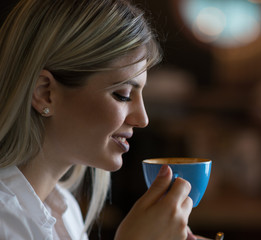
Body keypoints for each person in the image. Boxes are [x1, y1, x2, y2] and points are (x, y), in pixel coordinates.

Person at [0, 0, 200, 239]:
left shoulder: (64, 209)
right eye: (123, 95)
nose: (142, 119)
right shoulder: (6, 221)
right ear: (45, 93)